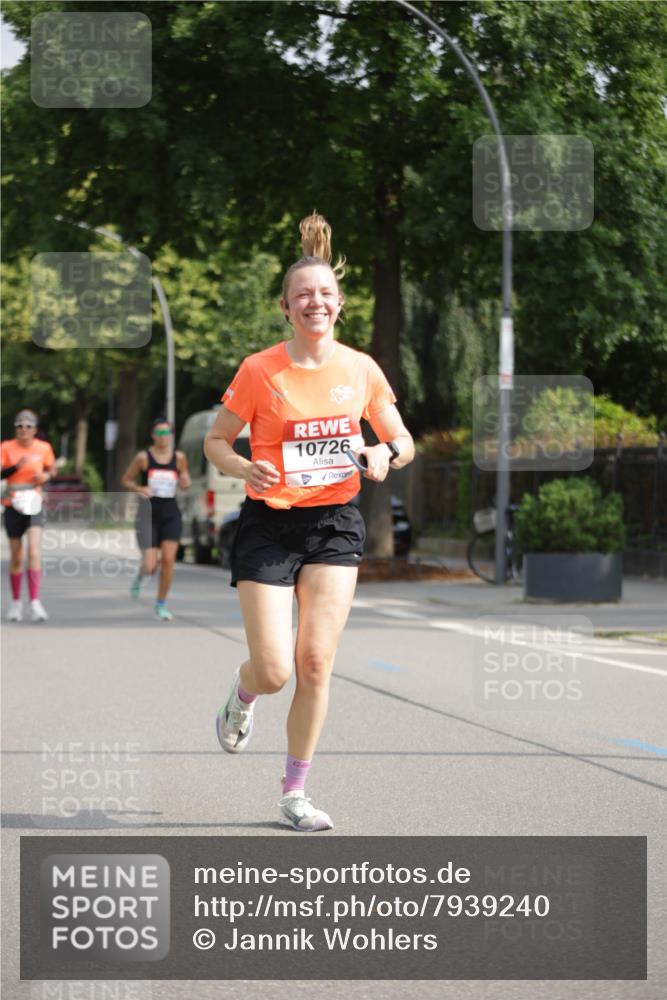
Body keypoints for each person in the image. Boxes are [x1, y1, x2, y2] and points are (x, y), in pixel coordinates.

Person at [204, 213, 415, 831]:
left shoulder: (361, 369)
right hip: (270, 523)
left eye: (324, 293)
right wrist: (243, 468)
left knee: (316, 662)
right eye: (303, 295)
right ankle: (242, 697)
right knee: (274, 669)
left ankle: (295, 793)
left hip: (335, 524)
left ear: (339, 303)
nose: (314, 302)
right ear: (286, 307)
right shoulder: (259, 369)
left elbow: (403, 441)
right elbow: (217, 442)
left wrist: (383, 452)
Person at [121, 418, 191, 621]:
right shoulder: (143, 458)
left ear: (171, 435)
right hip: (148, 513)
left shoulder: (179, 458)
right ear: (153, 436)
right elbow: (125, 480)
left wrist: (185, 481)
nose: (163, 437)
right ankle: (141, 575)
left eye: (166, 433)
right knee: (151, 565)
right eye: (159, 434)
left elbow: (185, 479)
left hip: (171, 512)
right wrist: (139, 488)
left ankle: (161, 604)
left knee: (168, 561)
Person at [1, 409, 55, 622]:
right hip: (12, 504)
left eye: (28, 426)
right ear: (16, 429)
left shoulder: (44, 448)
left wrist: (46, 475)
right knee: (16, 556)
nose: (24, 430)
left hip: (35, 503)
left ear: (35, 430)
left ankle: (35, 602)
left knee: (33, 551)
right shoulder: (6, 447)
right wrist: (16, 467)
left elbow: (52, 471)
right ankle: (16, 603)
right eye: (20, 426)